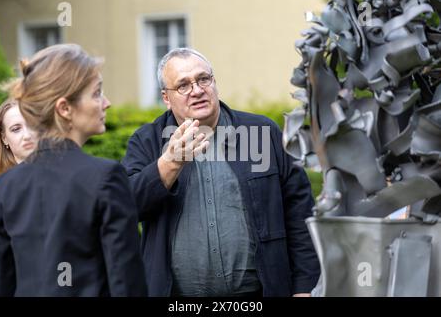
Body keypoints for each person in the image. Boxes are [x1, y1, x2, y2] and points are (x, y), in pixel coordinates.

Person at [122, 47, 320, 297]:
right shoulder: (147, 141)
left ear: (214, 82)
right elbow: (126, 207)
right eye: (183, 85)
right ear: (166, 97)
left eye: (203, 79)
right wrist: (169, 163)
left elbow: (299, 212)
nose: (197, 90)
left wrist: (304, 288)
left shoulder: (261, 133)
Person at [0, 44, 145, 296]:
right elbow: (128, 286)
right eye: (96, 93)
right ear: (64, 108)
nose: (106, 103)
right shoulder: (106, 178)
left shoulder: (7, 185)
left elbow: (0, 285)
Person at [0, 98, 38, 215]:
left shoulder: (64, 178)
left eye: (32, 125)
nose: (27, 135)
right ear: (4, 138)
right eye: (16, 129)